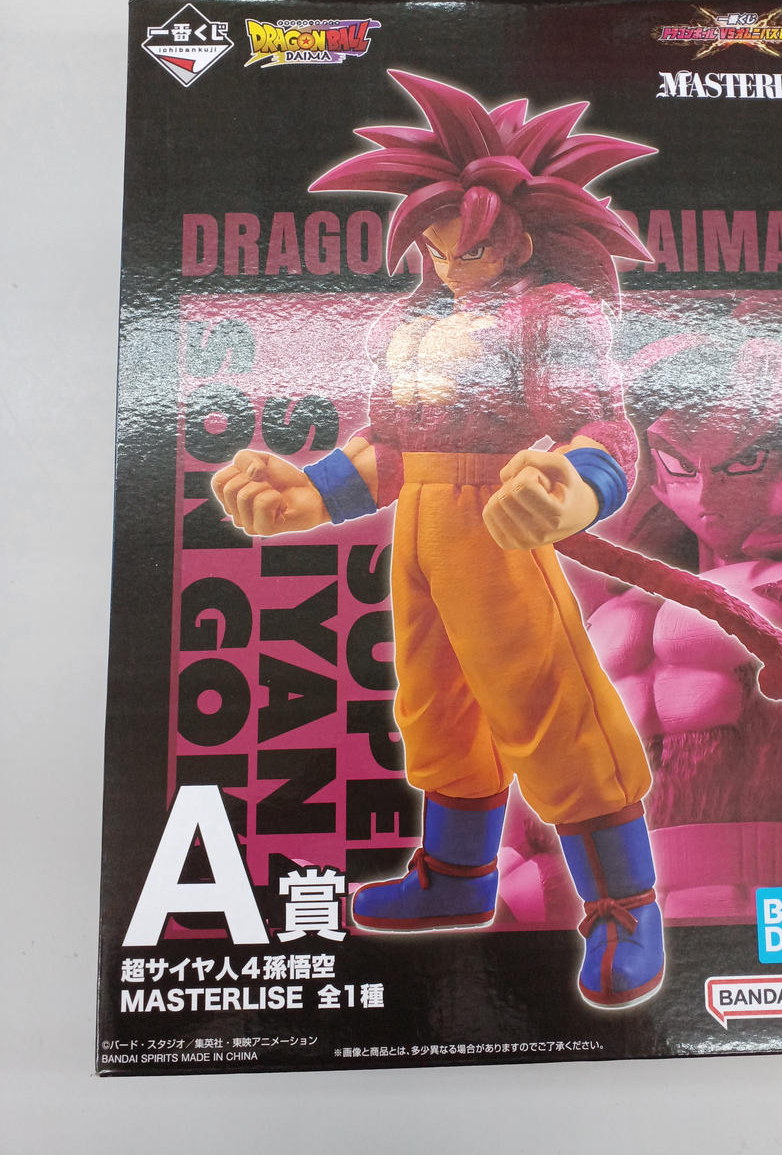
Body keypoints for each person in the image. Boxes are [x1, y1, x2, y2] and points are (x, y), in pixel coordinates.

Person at [212, 71, 666, 1008]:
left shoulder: (553, 312)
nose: (456, 264)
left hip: (499, 523)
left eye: (476, 246)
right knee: (434, 704)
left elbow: (606, 429)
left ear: (522, 235)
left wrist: (573, 487)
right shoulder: (417, 322)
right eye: (439, 246)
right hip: (421, 527)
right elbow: (388, 446)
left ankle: (627, 905)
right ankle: (457, 876)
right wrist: (310, 493)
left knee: (551, 708)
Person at [586, 324, 782, 922]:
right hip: (634, 896)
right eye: (681, 465)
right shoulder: (623, 608)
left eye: (744, 461)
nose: (706, 497)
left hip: (779, 886)